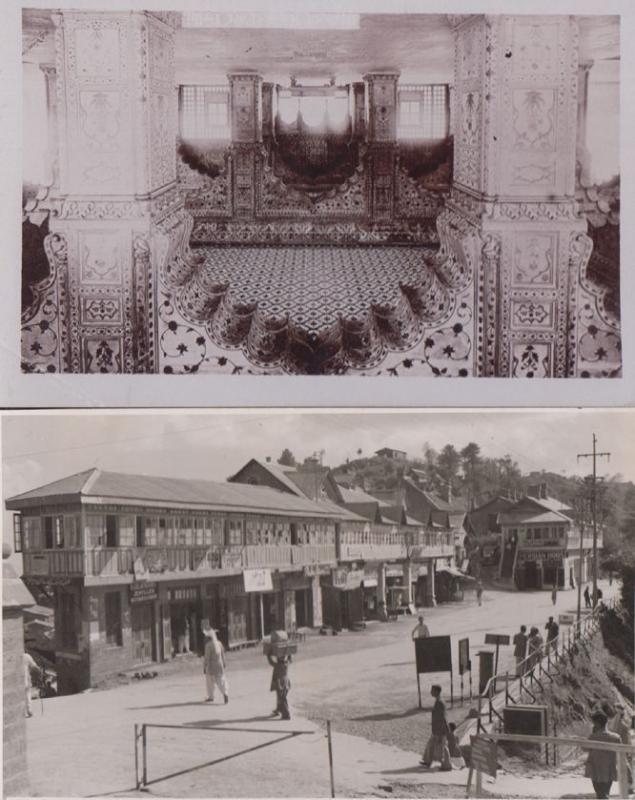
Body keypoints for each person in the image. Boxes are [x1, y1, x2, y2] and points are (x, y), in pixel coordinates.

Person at [584, 710, 621, 799]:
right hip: (609, 770)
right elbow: (621, 754)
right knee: (605, 793)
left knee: (599, 794)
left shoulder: (593, 737)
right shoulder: (616, 737)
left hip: (595, 770)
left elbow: (585, 749)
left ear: (597, 723)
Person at [420, 684, 452, 771]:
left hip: (440, 728)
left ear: (437, 691)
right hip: (437, 727)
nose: (431, 692)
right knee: (431, 744)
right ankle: (427, 761)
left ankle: (446, 765)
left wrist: (441, 729)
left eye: (432, 690)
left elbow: (442, 717)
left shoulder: (439, 702)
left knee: (442, 746)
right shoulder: (439, 701)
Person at [203, 628, 228, 704]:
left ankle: (211, 696)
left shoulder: (208, 645)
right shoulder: (219, 643)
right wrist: (224, 662)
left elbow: (207, 658)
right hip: (219, 665)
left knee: (210, 682)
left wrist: (204, 666)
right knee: (221, 680)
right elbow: (223, 654)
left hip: (211, 666)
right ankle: (225, 693)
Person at [268, 651, 292, 720]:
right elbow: (290, 659)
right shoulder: (286, 663)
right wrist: (289, 654)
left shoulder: (277, 665)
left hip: (280, 684)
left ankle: (286, 715)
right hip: (286, 683)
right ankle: (278, 710)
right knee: (281, 697)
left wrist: (268, 655)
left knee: (282, 699)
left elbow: (271, 662)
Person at [23, 652, 41, 718]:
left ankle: (24, 713)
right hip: (26, 680)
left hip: (18, 682)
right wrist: (39, 671)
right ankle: (29, 711)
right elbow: (34, 666)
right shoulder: (27, 656)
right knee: (27, 695)